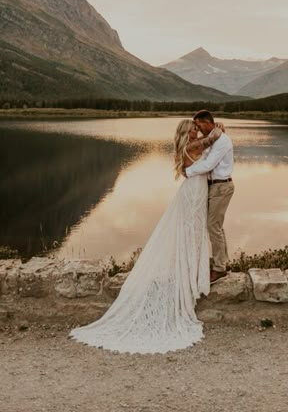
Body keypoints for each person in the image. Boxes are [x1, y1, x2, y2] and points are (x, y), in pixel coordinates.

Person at [68, 118, 223, 354]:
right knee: (190, 231)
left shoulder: (189, 147)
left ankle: (190, 271)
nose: (196, 129)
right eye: (193, 128)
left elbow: (208, 145)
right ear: (186, 133)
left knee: (192, 232)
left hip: (196, 191)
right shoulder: (191, 147)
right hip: (193, 194)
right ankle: (189, 274)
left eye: (196, 127)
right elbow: (211, 139)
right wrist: (218, 129)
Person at [184, 110, 234, 284]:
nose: (197, 129)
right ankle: (223, 263)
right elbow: (201, 154)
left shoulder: (222, 141)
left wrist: (187, 172)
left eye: (198, 125)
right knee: (216, 226)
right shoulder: (215, 137)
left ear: (206, 122)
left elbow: (209, 164)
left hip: (221, 186)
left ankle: (220, 268)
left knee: (213, 226)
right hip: (213, 186)